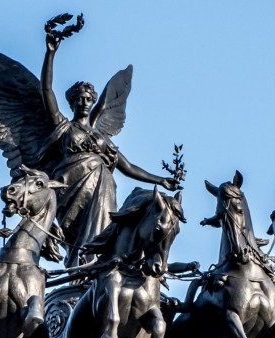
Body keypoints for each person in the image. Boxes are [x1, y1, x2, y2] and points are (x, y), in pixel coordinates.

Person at [38, 33, 180, 268]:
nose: (84, 102)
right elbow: (46, 91)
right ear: (72, 103)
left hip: (102, 189)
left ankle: (94, 263)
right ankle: (79, 263)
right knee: (80, 232)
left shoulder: (101, 137)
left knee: (103, 224)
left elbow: (127, 167)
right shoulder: (64, 127)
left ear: (93, 102)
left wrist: (161, 180)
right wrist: (50, 54)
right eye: (80, 99)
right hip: (72, 186)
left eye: (88, 99)